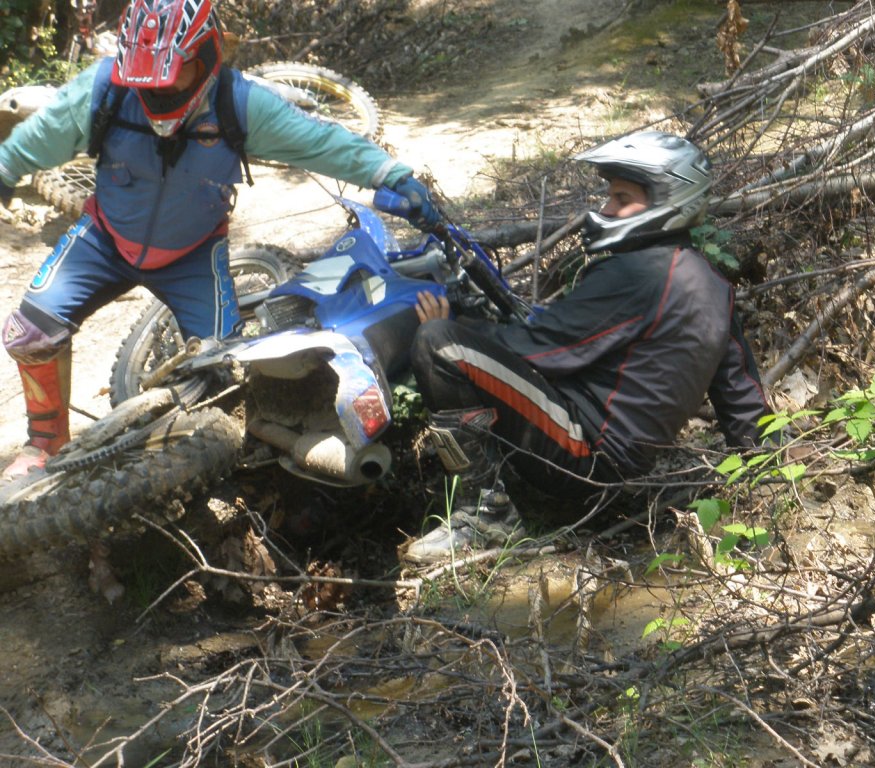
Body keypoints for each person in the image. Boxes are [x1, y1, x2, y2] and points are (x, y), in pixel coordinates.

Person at [0, 0, 439, 478]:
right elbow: (40, 136)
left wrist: (390, 174)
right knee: (31, 332)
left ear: (208, 56)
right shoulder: (103, 88)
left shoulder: (241, 103)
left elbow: (320, 142)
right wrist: (4, 171)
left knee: (226, 377)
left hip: (193, 256)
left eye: (174, 77)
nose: (160, 91)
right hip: (103, 239)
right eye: (147, 80)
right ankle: (45, 444)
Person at [403, 130, 771, 564]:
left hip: (585, 455)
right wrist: (773, 482)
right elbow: (744, 405)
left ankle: (487, 517)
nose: (605, 209)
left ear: (667, 202)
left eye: (621, 198)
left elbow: (538, 349)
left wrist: (450, 326)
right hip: (619, 471)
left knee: (439, 347)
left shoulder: (641, 272)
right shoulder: (711, 284)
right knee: (466, 339)